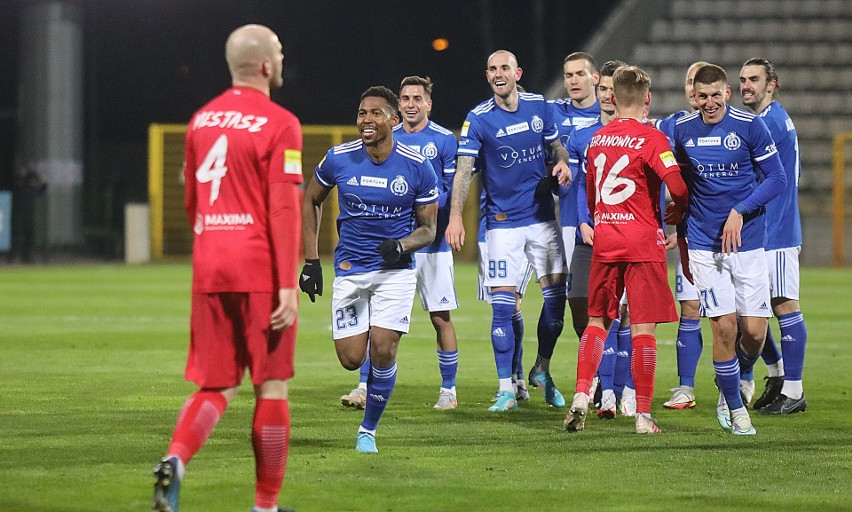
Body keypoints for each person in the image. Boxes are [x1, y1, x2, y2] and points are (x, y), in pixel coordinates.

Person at [151, 24, 301, 512]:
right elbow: (283, 208)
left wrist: (216, 242)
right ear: (264, 65)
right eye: (277, 52)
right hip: (260, 266)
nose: (280, 59)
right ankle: (265, 505)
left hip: (210, 265)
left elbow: (192, 203)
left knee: (216, 384)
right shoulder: (282, 123)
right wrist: (286, 284)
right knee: (271, 384)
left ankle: (175, 459)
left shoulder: (199, 121)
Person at [300, 86, 439, 453]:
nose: (366, 120)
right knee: (351, 359)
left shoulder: (416, 165)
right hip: (350, 269)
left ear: (393, 120)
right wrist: (311, 261)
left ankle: (368, 430)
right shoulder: (338, 158)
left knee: (383, 350)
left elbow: (428, 229)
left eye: (376, 113)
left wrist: (401, 246)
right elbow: (311, 198)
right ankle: (370, 390)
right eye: (362, 113)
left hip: (396, 273)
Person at [562, 65, 689, 434]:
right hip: (641, 240)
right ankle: (644, 415)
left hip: (606, 238)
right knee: (643, 327)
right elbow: (678, 187)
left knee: (598, 321)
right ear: (647, 99)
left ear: (613, 98)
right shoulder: (652, 139)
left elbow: (588, 193)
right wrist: (676, 212)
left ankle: (582, 394)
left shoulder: (597, 139)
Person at [446, 50, 571, 412]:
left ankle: (541, 369)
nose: (498, 74)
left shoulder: (539, 107)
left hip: (543, 221)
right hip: (502, 226)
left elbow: (556, 147)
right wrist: (456, 216)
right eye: (492, 69)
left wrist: (562, 163)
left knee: (555, 306)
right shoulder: (478, 119)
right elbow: (464, 170)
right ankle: (505, 387)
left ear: (517, 72)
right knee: (502, 309)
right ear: (487, 77)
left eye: (504, 68)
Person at [671, 64, 786, 435]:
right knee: (724, 327)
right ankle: (736, 411)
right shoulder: (682, 131)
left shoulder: (750, 126)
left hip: (748, 241)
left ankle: (744, 372)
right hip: (705, 243)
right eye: (701, 97)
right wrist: (675, 216)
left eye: (715, 96)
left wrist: (740, 211)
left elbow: (777, 179)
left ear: (727, 93)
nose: (708, 103)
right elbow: (676, 181)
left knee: (753, 332)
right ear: (695, 96)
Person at [338, 76, 460, 410]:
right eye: (405, 98)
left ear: (428, 104)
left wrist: (416, 205)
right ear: (397, 109)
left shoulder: (444, 140)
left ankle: (448, 390)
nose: (410, 104)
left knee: (440, 317)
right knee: (375, 320)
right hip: (388, 247)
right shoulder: (386, 137)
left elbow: (445, 191)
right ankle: (364, 386)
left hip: (427, 243)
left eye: (416, 98)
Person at [562, 59, 635, 420]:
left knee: (620, 311)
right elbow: (581, 187)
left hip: (627, 234)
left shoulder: (640, 134)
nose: (607, 95)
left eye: (613, 89)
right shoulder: (582, 137)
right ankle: (599, 383)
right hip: (590, 234)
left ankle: (617, 392)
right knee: (581, 301)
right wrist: (583, 222)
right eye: (603, 88)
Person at [739, 58, 808, 414]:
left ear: (772, 84)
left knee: (784, 307)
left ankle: (793, 391)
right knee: (749, 312)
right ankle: (778, 375)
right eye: (743, 80)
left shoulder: (769, 124)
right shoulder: (774, 120)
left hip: (775, 231)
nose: (747, 85)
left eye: (754, 79)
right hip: (765, 230)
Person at [652, 61, 711, 411]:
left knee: (744, 320)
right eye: (690, 82)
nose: (694, 89)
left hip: (731, 236)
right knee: (689, 308)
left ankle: (747, 375)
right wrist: (668, 223)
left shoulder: (736, 127)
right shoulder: (670, 127)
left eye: (701, 83)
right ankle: (685, 387)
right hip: (690, 234)